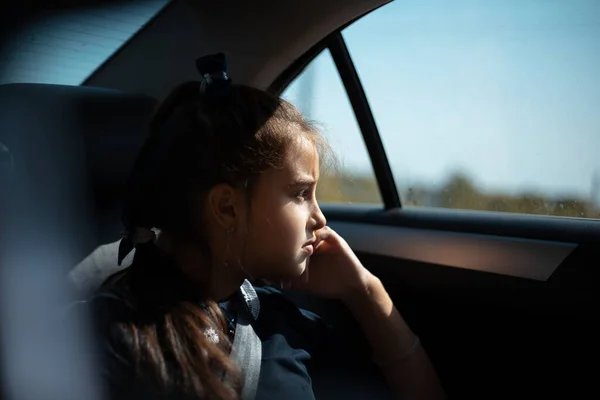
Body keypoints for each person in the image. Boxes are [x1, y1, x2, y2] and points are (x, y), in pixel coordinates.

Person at [79, 53, 445, 400]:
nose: (320, 220)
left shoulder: (277, 320)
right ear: (227, 208)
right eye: (302, 193)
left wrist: (365, 291)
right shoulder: (114, 339)